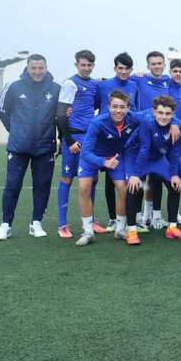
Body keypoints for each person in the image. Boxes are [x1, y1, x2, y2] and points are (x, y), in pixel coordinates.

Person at [0, 54, 60, 241]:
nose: (37, 72)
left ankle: (36, 223)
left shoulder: (56, 89)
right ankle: (6, 225)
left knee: (42, 186)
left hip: (45, 147)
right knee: (12, 185)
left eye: (41, 68)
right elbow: (1, 109)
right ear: (28, 68)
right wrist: (15, 130)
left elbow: (62, 114)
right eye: (34, 68)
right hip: (18, 147)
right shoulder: (14, 87)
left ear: (46, 67)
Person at [75, 91, 142, 246]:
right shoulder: (98, 122)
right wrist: (103, 162)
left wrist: (173, 124)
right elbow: (85, 152)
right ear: (108, 107)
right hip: (92, 156)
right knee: (84, 187)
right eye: (115, 106)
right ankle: (88, 231)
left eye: (122, 107)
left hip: (115, 157)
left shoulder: (133, 118)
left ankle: (120, 229)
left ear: (128, 108)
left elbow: (151, 114)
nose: (118, 110)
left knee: (123, 188)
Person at [125, 95, 181, 243]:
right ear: (154, 112)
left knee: (175, 185)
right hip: (140, 156)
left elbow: (175, 152)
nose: (164, 117)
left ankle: (172, 228)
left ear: (173, 114)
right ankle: (131, 231)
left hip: (159, 158)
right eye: (160, 113)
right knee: (133, 187)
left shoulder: (177, 125)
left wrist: (175, 174)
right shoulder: (147, 122)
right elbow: (144, 148)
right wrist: (135, 174)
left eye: (167, 114)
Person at [56, 49, 101, 239]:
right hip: (73, 138)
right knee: (67, 178)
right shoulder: (69, 83)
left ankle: (91, 221)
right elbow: (60, 115)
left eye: (89, 65)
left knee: (92, 178)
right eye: (83, 65)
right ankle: (62, 224)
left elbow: (93, 105)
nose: (86, 68)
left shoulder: (94, 84)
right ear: (76, 65)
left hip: (89, 138)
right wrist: (69, 141)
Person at [97, 52, 139, 232]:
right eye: (120, 68)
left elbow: (135, 109)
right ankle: (112, 218)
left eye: (127, 69)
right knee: (110, 178)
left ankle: (130, 218)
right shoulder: (103, 85)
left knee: (127, 178)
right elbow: (95, 106)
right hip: (107, 137)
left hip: (126, 137)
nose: (123, 71)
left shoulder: (134, 85)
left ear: (131, 69)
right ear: (115, 68)